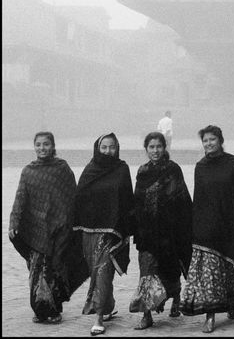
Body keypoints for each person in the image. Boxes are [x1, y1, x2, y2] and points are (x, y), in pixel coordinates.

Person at [180, 125, 234, 333]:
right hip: (206, 226)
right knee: (209, 272)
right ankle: (210, 315)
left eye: (212, 139)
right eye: (205, 141)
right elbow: (199, 199)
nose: (208, 144)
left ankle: (231, 300)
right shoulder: (200, 166)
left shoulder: (233, 164)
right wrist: (196, 226)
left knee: (229, 269)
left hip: (228, 224)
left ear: (220, 141)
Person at [9, 131, 88, 324]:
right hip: (35, 229)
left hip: (60, 227)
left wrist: (73, 224)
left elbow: (72, 197)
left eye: (46, 144)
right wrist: (14, 222)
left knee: (55, 267)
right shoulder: (28, 171)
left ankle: (53, 309)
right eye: (38, 144)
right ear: (34, 146)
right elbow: (21, 198)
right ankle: (40, 309)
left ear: (53, 146)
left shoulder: (62, 168)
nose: (42, 148)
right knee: (38, 270)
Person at [129, 132, 192, 330]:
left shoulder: (173, 169)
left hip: (169, 231)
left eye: (159, 147)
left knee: (170, 269)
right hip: (147, 232)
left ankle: (175, 299)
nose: (155, 151)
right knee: (147, 272)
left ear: (164, 148)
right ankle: (147, 314)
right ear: (146, 149)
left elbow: (181, 199)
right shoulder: (142, 171)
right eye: (151, 147)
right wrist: (137, 228)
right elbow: (137, 201)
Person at [74, 133, 135, 336]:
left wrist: (126, 226)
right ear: (97, 148)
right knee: (97, 273)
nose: (108, 151)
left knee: (102, 272)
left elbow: (127, 199)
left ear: (117, 148)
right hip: (89, 232)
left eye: (112, 147)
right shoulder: (90, 170)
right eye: (104, 147)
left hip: (112, 232)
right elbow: (80, 197)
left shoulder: (122, 168)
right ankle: (107, 306)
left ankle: (99, 316)